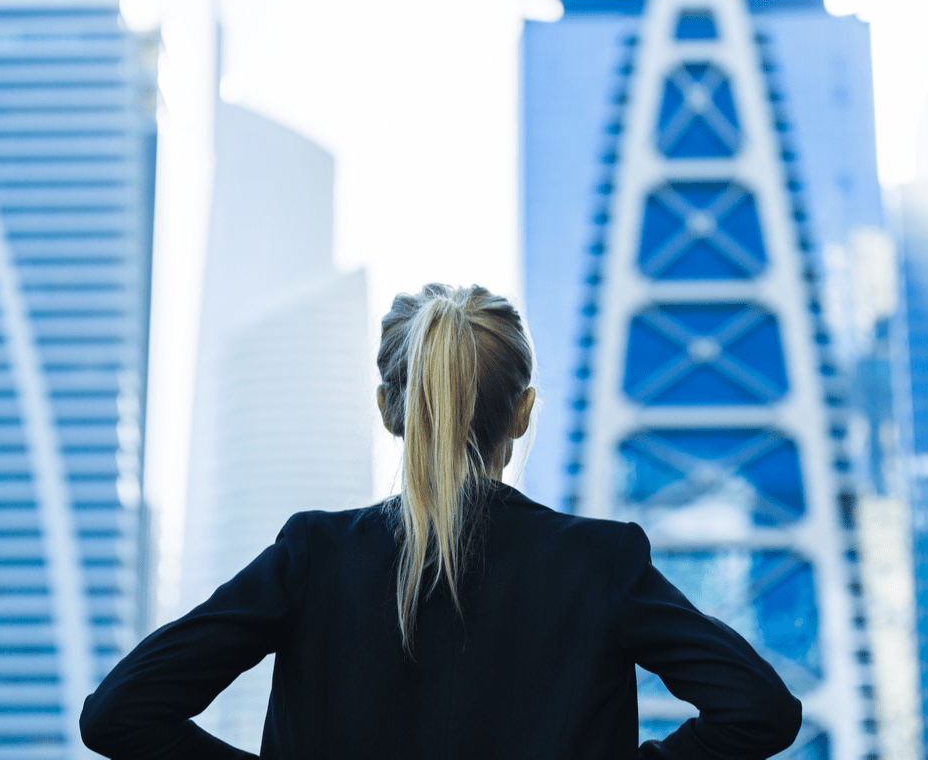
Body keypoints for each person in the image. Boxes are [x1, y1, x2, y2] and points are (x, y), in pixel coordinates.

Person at [80, 283, 802, 759]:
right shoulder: (597, 561)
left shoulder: (315, 556)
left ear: (390, 410)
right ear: (523, 413)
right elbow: (760, 710)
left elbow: (119, 713)